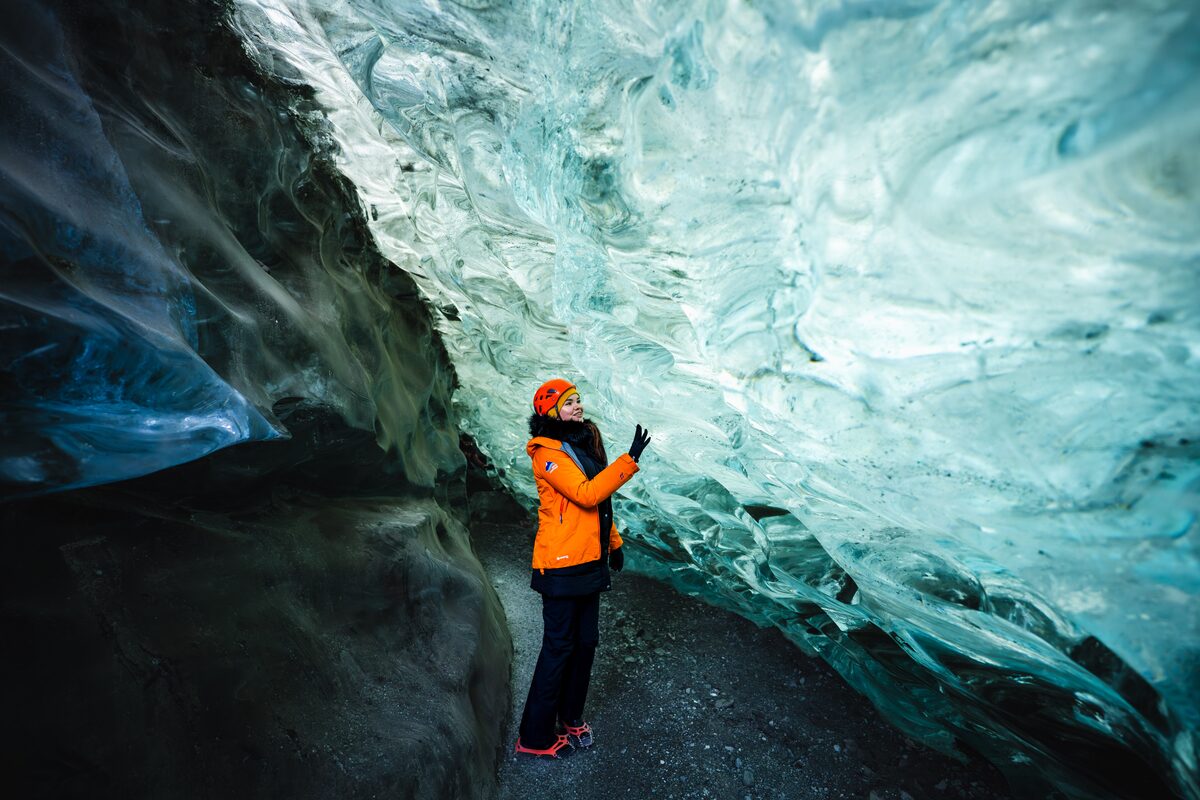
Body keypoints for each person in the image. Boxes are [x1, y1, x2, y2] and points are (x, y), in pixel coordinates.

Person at [514, 378, 652, 758]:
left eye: (578, 399)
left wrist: (614, 543)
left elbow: (596, 509)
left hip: (589, 561)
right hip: (560, 565)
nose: (577, 405)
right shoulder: (547, 452)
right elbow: (586, 493)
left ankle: (570, 716)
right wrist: (629, 461)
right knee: (559, 647)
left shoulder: (580, 443)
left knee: (586, 643)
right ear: (550, 410)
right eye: (569, 402)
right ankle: (535, 738)